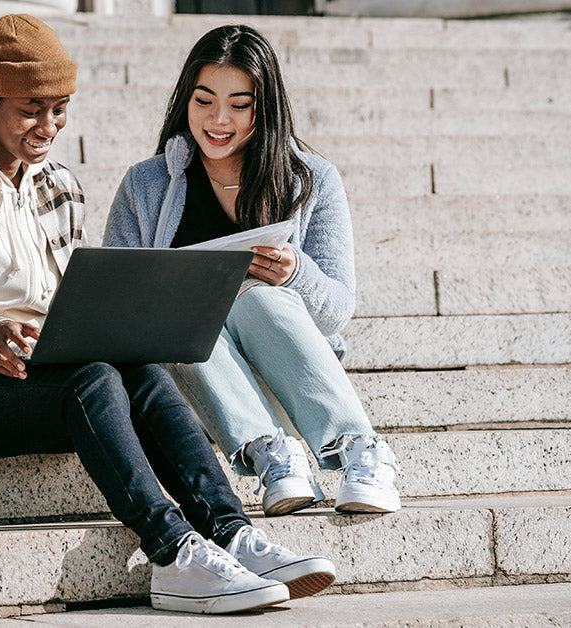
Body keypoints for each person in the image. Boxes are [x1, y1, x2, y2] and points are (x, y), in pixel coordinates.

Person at [0, 14, 335, 615]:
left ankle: (233, 532)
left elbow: (77, 297)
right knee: (94, 380)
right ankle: (173, 552)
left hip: (43, 370)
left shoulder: (60, 186)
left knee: (139, 371)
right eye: (32, 108)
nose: (49, 125)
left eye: (60, 108)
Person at [103, 24, 401, 517]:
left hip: (291, 374)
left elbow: (336, 312)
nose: (219, 120)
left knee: (259, 296)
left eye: (240, 104)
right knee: (183, 317)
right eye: (204, 100)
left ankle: (361, 451)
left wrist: (294, 273)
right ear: (185, 101)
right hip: (197, 383)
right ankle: (275, 459)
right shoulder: (146, 183)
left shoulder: (311, 179)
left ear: (266, 108)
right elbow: (117, 300)